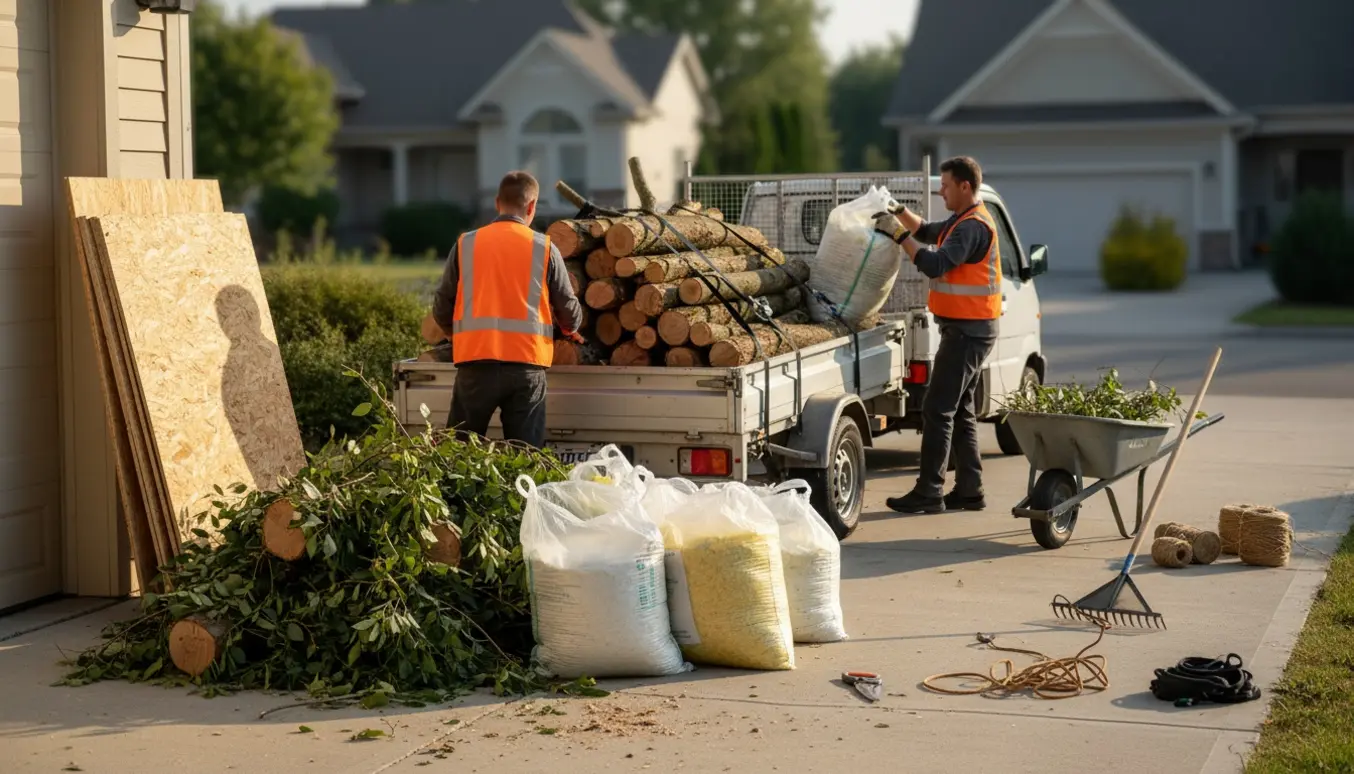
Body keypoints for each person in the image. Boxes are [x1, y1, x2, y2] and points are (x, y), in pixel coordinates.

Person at [872, 156, 1001, 514]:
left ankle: (929, 491)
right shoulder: (962, 220)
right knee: (959, 409)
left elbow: (934, 263)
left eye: (945, 185)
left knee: (937, 408)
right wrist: (898, 211)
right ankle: (970, 490)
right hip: (969, 329)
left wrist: (897, 236)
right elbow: (927, 232)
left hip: (967, 332)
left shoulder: (972, 227)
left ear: (965, 186)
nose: (940, 190)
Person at [431, 171, 585, 448]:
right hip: (526, 367)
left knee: (459, 454)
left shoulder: (466, 243)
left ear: (497, 202)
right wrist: (569, 329)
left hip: (475, 366)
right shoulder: (544, 247)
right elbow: (570, 315)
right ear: (532, 206)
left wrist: (458, 337)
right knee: (525, 456)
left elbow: (442, 307)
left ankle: (457, 494)